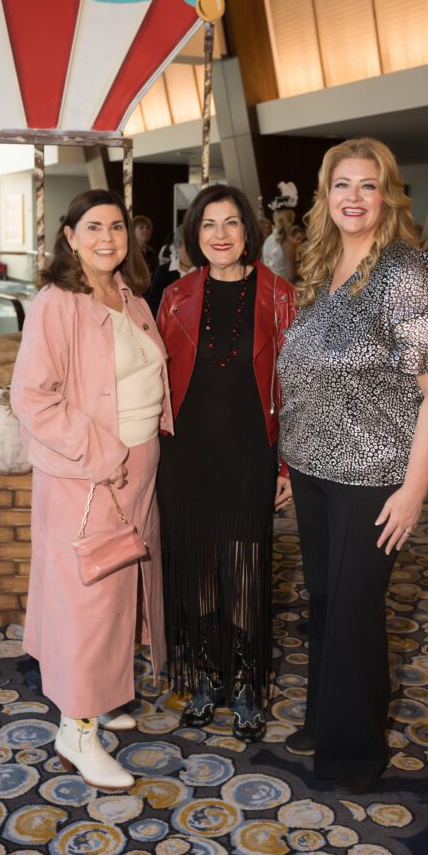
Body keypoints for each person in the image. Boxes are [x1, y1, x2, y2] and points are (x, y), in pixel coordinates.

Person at [277, 138, 428, 793]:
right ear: (325, 196)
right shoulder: (319, 263)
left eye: (367, 185)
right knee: (328, 604)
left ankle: (353, 752)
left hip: (373, 477)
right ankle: (325, 720)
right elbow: (305, 374)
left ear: (387, 195)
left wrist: (415, 490)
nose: (353, 198)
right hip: (311, 470)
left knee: (356, 610)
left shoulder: (407, 272)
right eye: (342, 185)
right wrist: (287, 462)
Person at [11, 189, 172, 791]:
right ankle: (75, 730)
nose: (108, 237)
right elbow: (32, 397)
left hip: (137, 470)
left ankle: (99, 696)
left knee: (121, 589)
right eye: (94, 227)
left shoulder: (128, 297)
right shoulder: (57, 302)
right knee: (90, 598)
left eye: (117, 227)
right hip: (89, 474)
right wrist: (102, 453)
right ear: (69, 237)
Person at [157, 183, 295, 741]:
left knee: (244, 572)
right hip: (186, 457)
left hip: (249, 456)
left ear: (248, 232)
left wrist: (286, 467)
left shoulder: (279, 295)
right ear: (194, 234)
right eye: (209, 224)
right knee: (198, 571)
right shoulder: (174, 295)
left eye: (231, 223)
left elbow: (297, 389)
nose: (220, 234)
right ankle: (209, 677)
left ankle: (246, 684)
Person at [146, 229, 195, 317]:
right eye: (189, 244)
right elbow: (154, 305)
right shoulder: (163, 271)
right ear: (178, 246)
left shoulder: (204, 271)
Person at [262, 207, 297, 281]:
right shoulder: (286, 243)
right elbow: (292, 276)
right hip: (282, 288)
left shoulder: (267, 240)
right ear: (291, 220)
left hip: (267, 285)